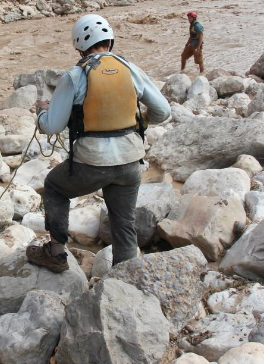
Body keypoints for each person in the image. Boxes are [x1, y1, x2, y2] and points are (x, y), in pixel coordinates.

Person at [28, 14, 171, 271]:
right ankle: (124, 279)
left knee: (54, 186)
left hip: (91, 164)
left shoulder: (75, 75)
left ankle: (56, 253)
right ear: (110, 41)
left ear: (79, 47)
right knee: (123, 223)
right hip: (130, 162)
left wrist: (40, 112)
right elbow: (163, 111)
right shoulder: (130, 69)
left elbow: (52, 126)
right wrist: (141, 120)